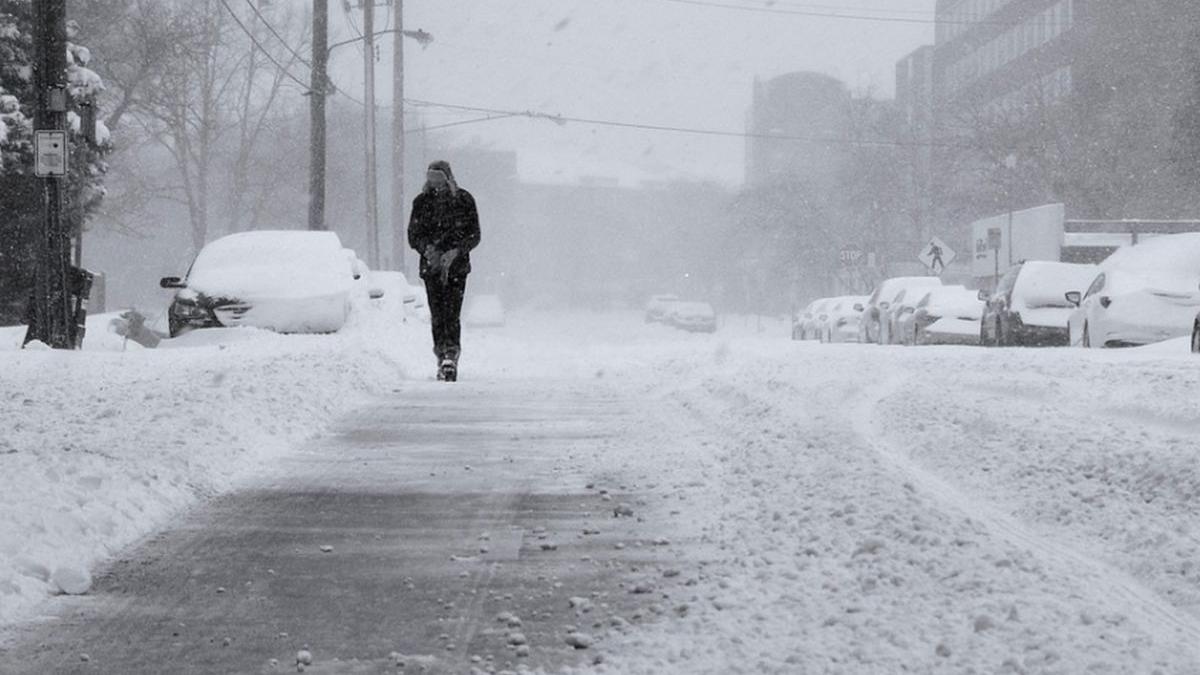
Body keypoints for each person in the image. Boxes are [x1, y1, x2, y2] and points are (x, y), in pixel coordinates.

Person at [408, 160, 480, 382]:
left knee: (452, 313)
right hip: (431, 268)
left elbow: (474, 234)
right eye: (431, 177)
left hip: (456, 268)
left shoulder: (464, 200)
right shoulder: (421, 202)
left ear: (448, 177)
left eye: (439, 177)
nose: (435, 182)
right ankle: (441, 353)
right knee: (437, 313)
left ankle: (451, 354)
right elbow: (413, 235)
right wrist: (427, 249)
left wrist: (456, 251)